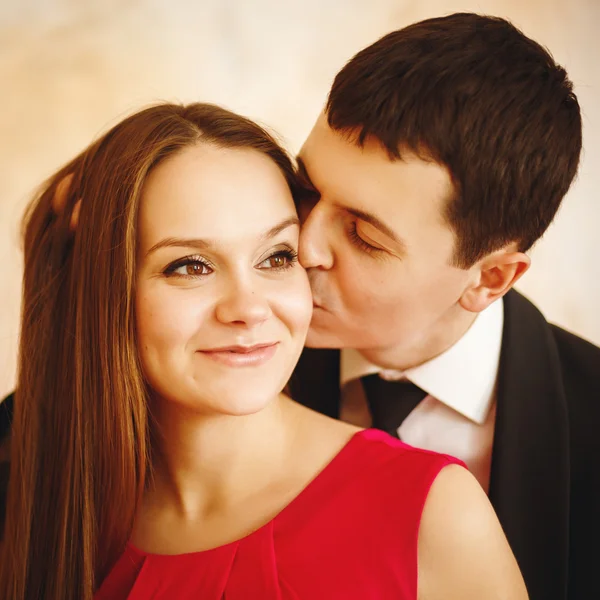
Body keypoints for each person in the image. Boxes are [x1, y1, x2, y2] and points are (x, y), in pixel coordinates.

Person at [0, 103, 526, 600]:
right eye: (190, 266)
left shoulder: (436, 513)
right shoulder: (34, 488)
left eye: (276, 256)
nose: (249, 309)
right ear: (102, 292)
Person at [288, 12, 600, 600]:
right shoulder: (239, 357)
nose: (302, 245)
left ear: (489, 278)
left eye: (363, 236)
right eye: (307, 189)